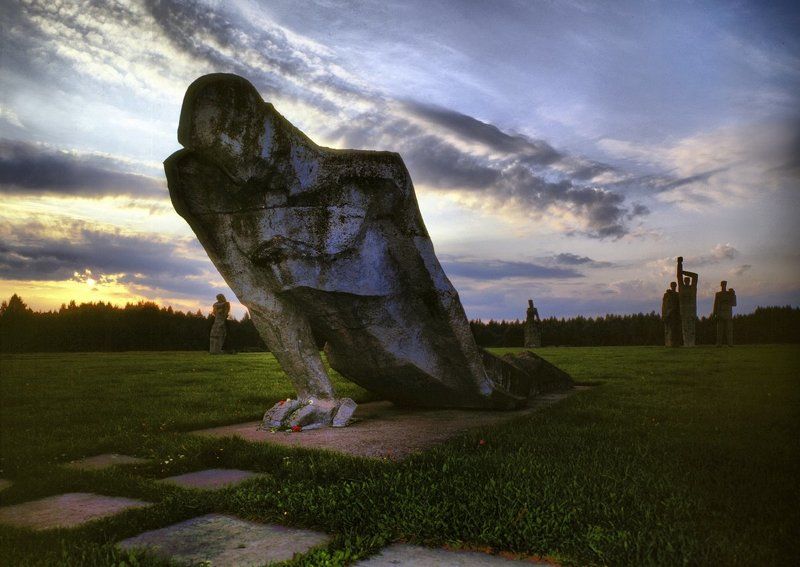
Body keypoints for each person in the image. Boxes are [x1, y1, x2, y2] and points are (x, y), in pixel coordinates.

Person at [676, 257, 698, 347]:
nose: (687, 281)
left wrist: (684, 272)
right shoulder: (681, 287)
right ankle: (686, 343)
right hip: (684, 309)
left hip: (692, 309)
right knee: (685, 327)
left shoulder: (693, 287)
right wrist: (679, 264)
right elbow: (678, 276)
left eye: (688, 280)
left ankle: (691, 343)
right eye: (686, 280)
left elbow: (695, 276)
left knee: (692, 327)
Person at [713, 281, 737, 346]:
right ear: (721, 285)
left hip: (728, 313)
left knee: (729, 329)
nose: (723, 285)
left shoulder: (729, 293)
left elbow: (734, 304)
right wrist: (714, 313)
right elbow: (715, 304)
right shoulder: (718, 294)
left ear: (726, 285)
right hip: (720, 313)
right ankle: (719, 343)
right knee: (719, 330)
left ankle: (730, 343)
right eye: (722, 284)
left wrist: (733, 294)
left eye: (724, 284)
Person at [661, 282, 681, 347]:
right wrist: (664, 313)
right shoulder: (666, 295)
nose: (673, 286)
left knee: (675, 329)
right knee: (668, 329)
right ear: (671, 286)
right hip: (668, 314)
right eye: (672, 285)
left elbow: (679, 305)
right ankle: (669, 343)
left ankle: (675, 343)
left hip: (675, 314)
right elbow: (664, 305)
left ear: (676, 286)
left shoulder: (677, 294)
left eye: (674, 285)